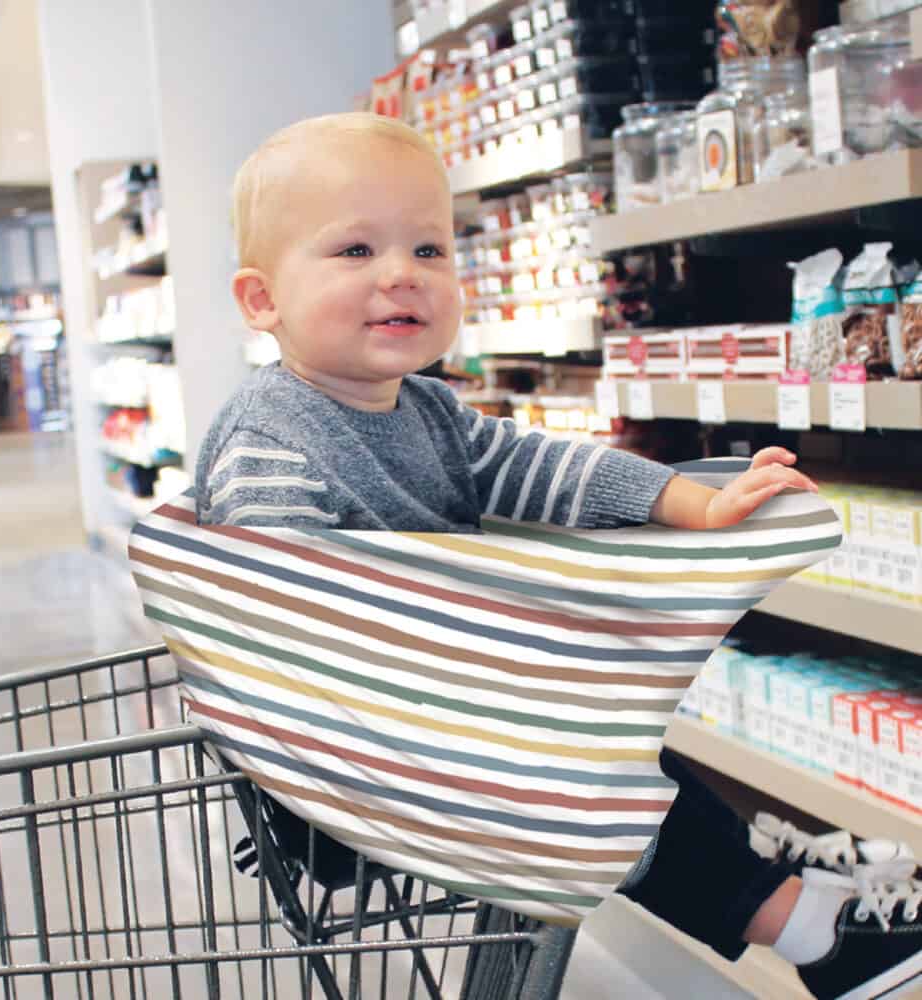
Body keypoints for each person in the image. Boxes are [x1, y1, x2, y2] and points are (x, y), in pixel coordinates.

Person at [193, 111, 922, 1000]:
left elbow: (529, 463)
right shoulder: (274, 444)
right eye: (354, 252)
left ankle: (790, 886)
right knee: (587, 784)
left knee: (605, 742)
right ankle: (806, 924)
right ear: (262, 301)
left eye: (429, 250)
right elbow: (273, 614)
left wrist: (687, 501)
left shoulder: (422, 410)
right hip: (348, 770)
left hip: (439, 727)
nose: (400, 276)